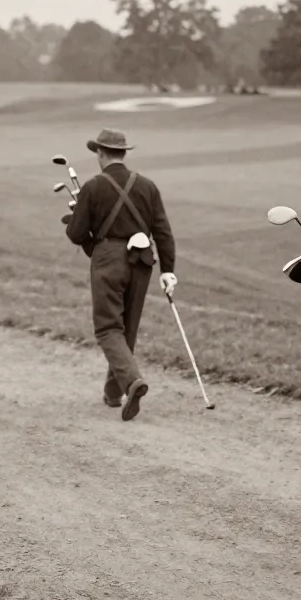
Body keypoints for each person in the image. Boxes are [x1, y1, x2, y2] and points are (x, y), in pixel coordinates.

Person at [65, 128, 177, 422]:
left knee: (107, 328)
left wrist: (75, 219)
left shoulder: (92, 187)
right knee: (127, 328)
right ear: (123, 153)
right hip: (142, 261)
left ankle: (132, 382)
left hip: (108, 260)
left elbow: (76, 234)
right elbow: (163, 233)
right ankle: (113, 393)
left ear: (101, 153)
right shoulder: (148, 186)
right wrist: (168, 271)